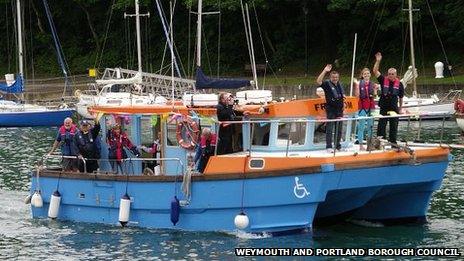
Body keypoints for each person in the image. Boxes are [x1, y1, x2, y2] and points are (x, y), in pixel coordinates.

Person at [373, 52, 404, 144]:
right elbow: (375, 71)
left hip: (394, 107)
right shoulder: (383, 80)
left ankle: (393, 142)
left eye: (392, 74)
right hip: (384, 106)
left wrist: (401, 108)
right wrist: (378, 61)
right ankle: (381, 141)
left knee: (394, 125)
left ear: (395, 74)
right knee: (381, 125)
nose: (390, 75)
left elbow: (401, 97)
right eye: (389, 74)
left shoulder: (400, 84)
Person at [316, 64, 345, 152]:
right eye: (333, 77)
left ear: (338, 77)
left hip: (339, 110)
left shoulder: (339, 85)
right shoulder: (327, 84)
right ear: (330, 77)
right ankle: (329, 146)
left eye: (336, 77)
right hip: (331, 110)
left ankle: (337, 146)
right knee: (329, 128)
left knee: (339, 129)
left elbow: (342, 97)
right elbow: (318, 81)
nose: (335, 79)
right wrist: (325, 70)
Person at [353, 68, 378, 150]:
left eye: (368, 73)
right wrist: (356, 85)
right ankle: (360, 145)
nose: (366, 75)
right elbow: (357, 96)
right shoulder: (359, 84)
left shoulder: (373, 84)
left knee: (370, 127)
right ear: (362, 75)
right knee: (361, 127)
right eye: (365, 74)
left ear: (370, 75)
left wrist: (375, 90)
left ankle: (369, 145)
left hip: (371, 107)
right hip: (362, 107)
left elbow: (374, 96)